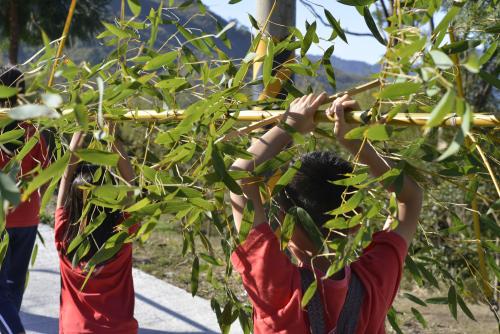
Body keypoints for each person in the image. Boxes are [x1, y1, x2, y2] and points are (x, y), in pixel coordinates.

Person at [229, 93, 423, 333]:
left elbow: (239, 176)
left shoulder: (276, 287)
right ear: (354, 220)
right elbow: (411, 200)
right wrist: (357, 143)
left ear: (283, 219)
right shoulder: (374, 282)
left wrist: (289, 126)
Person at [55, 128, 139, 333]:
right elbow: (131, 185)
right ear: (111, 199)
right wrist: (111, 136)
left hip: (75, 329)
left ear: (72, 205)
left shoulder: (64, 237)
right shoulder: (122, 234)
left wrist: (79, 132)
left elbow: (66, 177)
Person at [0, 66, 50, 334]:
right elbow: (47, 170)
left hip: (1, 219)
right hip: (28, 215)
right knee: (14, 283)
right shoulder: (33, 129)